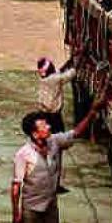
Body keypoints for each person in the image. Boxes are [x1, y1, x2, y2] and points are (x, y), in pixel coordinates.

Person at [11, 101, 102, 223]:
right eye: (44, 126)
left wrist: (92, 112)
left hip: (50, 206)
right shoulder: (23, 155)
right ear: (34, 134)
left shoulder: (55, 142)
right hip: (31, 210)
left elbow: (76, 133)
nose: (49, 127)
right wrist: (16, 213)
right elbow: (16, 187)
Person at [37, 56, 77, 193]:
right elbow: (70, 74)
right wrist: (79, 60)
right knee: (57, 151)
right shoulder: (55, 80)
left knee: (47, 150)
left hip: (44, 118)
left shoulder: (45, 80)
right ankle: (55, 184)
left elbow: (60, 72)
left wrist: (71, 59)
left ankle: (48, 182)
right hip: (54, 119)